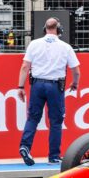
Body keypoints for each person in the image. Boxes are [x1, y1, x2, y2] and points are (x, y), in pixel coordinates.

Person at [17, 17, 81, 165]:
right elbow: (76, 70)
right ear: (59, 30)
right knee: (56, 122)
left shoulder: (34, 44)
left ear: (44, 29)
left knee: (33, 118)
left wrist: (20, 87)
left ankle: (25, 146)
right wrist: (75, 83)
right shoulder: (65, 47)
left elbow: (25, 67)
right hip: (55, 86)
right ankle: (53, 156)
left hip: (37, 85)